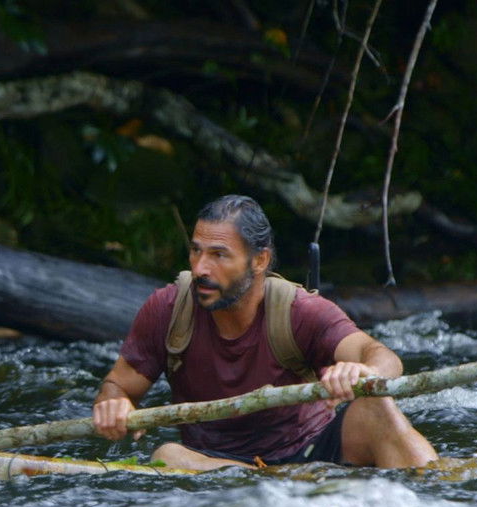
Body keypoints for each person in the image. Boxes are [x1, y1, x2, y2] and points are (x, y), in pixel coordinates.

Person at [92, 194, 438, 470]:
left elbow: (383, 357)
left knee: (378, 406)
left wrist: (366, 372)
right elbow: (119, 385)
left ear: (259, 261)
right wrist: (114, 403)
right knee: (168, 455)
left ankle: (432, 505)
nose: (200, 268)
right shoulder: (167, 309)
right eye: (196, 251)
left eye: (219, 255)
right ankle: (271, 486)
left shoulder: (299, 311)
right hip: (212, 463)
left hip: (313, 454)